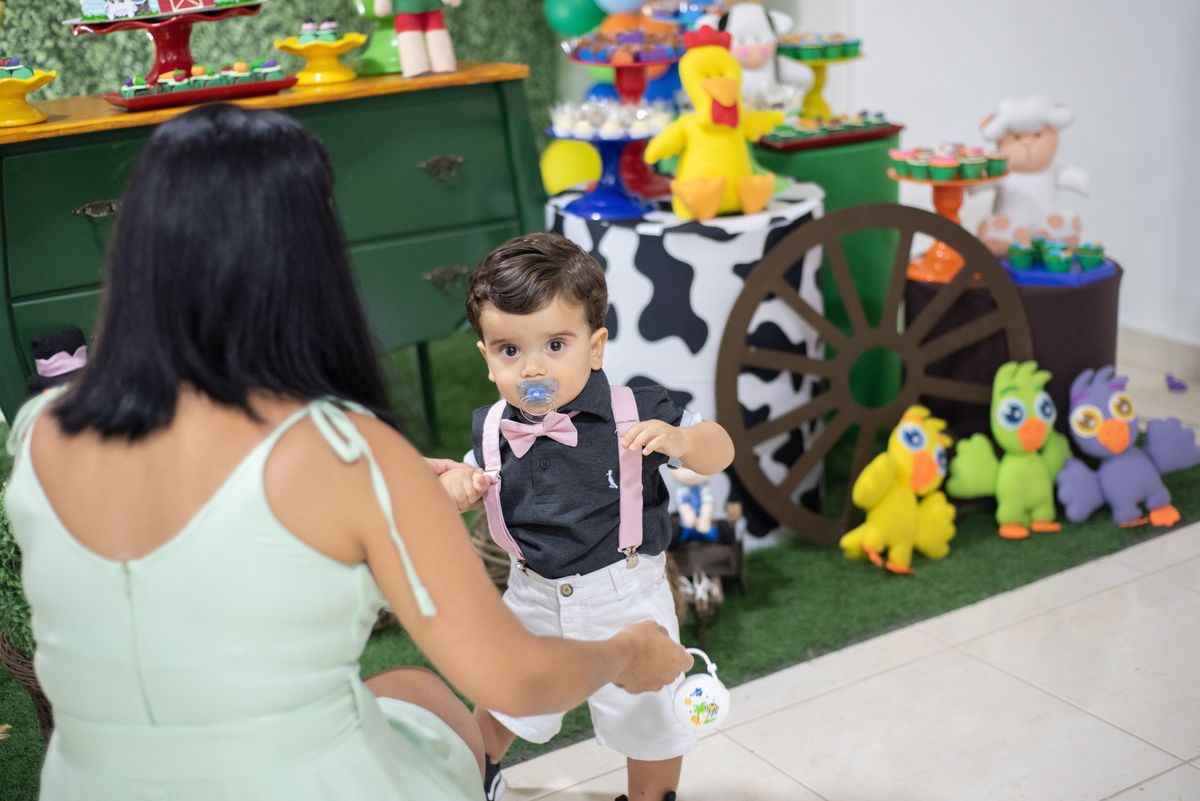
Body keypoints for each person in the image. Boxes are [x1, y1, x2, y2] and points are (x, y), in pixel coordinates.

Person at [3, 104, 691, 801]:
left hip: (84, 785)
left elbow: (183, 546)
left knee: (409, 687)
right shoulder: (349, 453)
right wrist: (630, 650)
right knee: (428, 700)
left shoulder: (39, 428)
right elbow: (516, 679)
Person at [437, 234, 735, 801]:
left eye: (555, 345)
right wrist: (461, 485)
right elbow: (476, 472)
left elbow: (719, 450)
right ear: (485, 358)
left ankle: (650, 796)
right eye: (509, 351)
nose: (532, 369)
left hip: (624, 595)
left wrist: (683, 439)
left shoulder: (636, 412)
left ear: (595, 347)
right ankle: (475, 773)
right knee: (508, 691)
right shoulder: (494, 426)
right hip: (531, 593)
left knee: (649, 715)